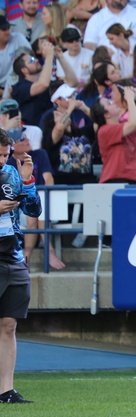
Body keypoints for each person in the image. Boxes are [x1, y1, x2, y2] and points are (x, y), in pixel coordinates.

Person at [0, 128, 41, 402]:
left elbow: (33, 211)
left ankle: (6, 390)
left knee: (9, 325)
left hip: (10, 255)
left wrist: (27, 182)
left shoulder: (12, 173)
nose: (2, 160)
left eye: (4, 154)